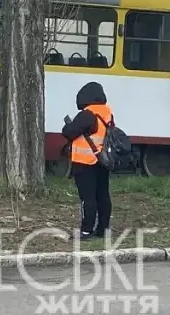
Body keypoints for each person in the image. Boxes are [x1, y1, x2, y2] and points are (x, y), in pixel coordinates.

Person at [62, 81, 114, 241]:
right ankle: (103, 230)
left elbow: (69, 133)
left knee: (87, 198)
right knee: (103, 196)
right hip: (103, 160)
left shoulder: (87, 114)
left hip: (86, 162)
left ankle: (86, 231)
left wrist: (68, 126)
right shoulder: (107, 113)